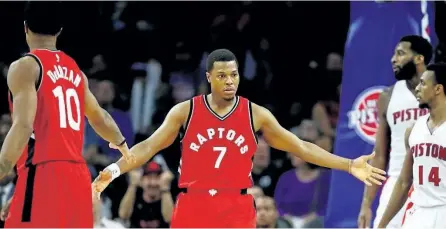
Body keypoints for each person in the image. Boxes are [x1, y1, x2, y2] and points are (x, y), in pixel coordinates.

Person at [93, 48, 387, 228]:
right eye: (222, 76)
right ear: (209, 77)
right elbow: (148, 146)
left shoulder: (255, 114)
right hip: (193, 205)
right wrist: (115, 169)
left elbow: (300, 146)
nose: (230, 81)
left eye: (234, 74)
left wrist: (348, 164)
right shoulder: (186, 111)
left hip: (236, 206)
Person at [0, 2, 133, 228]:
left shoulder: (26, 66)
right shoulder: (76, 72)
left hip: (42, 176)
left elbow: (23, 127)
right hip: (77, 179)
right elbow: (100, 118)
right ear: (60, 30)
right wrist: (121, 144)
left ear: (25, 28)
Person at [358, 35, 433, 229]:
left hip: (434, 178)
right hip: (398, 178)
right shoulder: (388, 96)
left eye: (400, 54)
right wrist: (366, 204)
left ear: (419, 58)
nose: (393, 59)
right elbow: (380, 155)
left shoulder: (439, 91)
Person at [378, 62, 446, 229]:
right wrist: (382, 225)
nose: (417, 88)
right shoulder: (413, 130)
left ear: (438, 89)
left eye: (423, 84)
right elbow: (403, 182)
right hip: (419, 212)